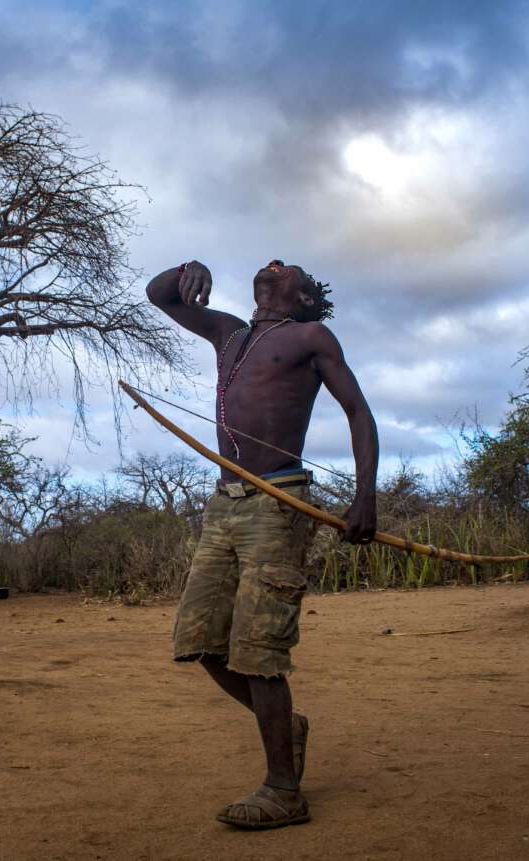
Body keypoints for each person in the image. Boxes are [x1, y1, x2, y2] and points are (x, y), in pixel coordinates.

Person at [146, 258, 378, 829]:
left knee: (257, 650)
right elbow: (159, 295)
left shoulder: (311, 336)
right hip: (224, 505)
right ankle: (284, 727)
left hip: (278, 504)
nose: (276, 263)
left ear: (303, 298)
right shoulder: (229, 333)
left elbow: (358, 412)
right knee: (199, 640)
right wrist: (186, 269)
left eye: (290, 268)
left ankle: (283, 790)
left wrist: (364, 496)